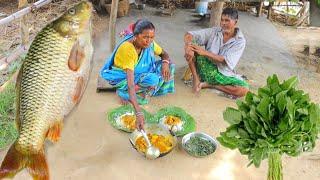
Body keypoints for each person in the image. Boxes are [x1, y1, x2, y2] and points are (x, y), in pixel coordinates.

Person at [100, 19, 175, 130]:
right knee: (153, 79)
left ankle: (143, 90)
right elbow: (130, 83)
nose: (148, 41)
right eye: (145, 37)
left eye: (151, 37)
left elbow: (164, 54)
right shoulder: (128, 49)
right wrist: (138, 112)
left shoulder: (150, 44)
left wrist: (165, 64)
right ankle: (123, 92)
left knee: (170, 66)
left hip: (141, 72)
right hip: (122, 77)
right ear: (135, 36)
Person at [184, 7, 249, 98]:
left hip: (222, 73)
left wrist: (204, 52)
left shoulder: (240, 41)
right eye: (222, 20)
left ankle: (210, 85)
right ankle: (196, 78)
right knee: (190, 46)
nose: (223, 23)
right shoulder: (214, 31)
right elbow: (189, 34)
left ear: (235, 22)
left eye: (227, 20)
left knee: (243, 89)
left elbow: (224, 60)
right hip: (205, 67)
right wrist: (188, 45)